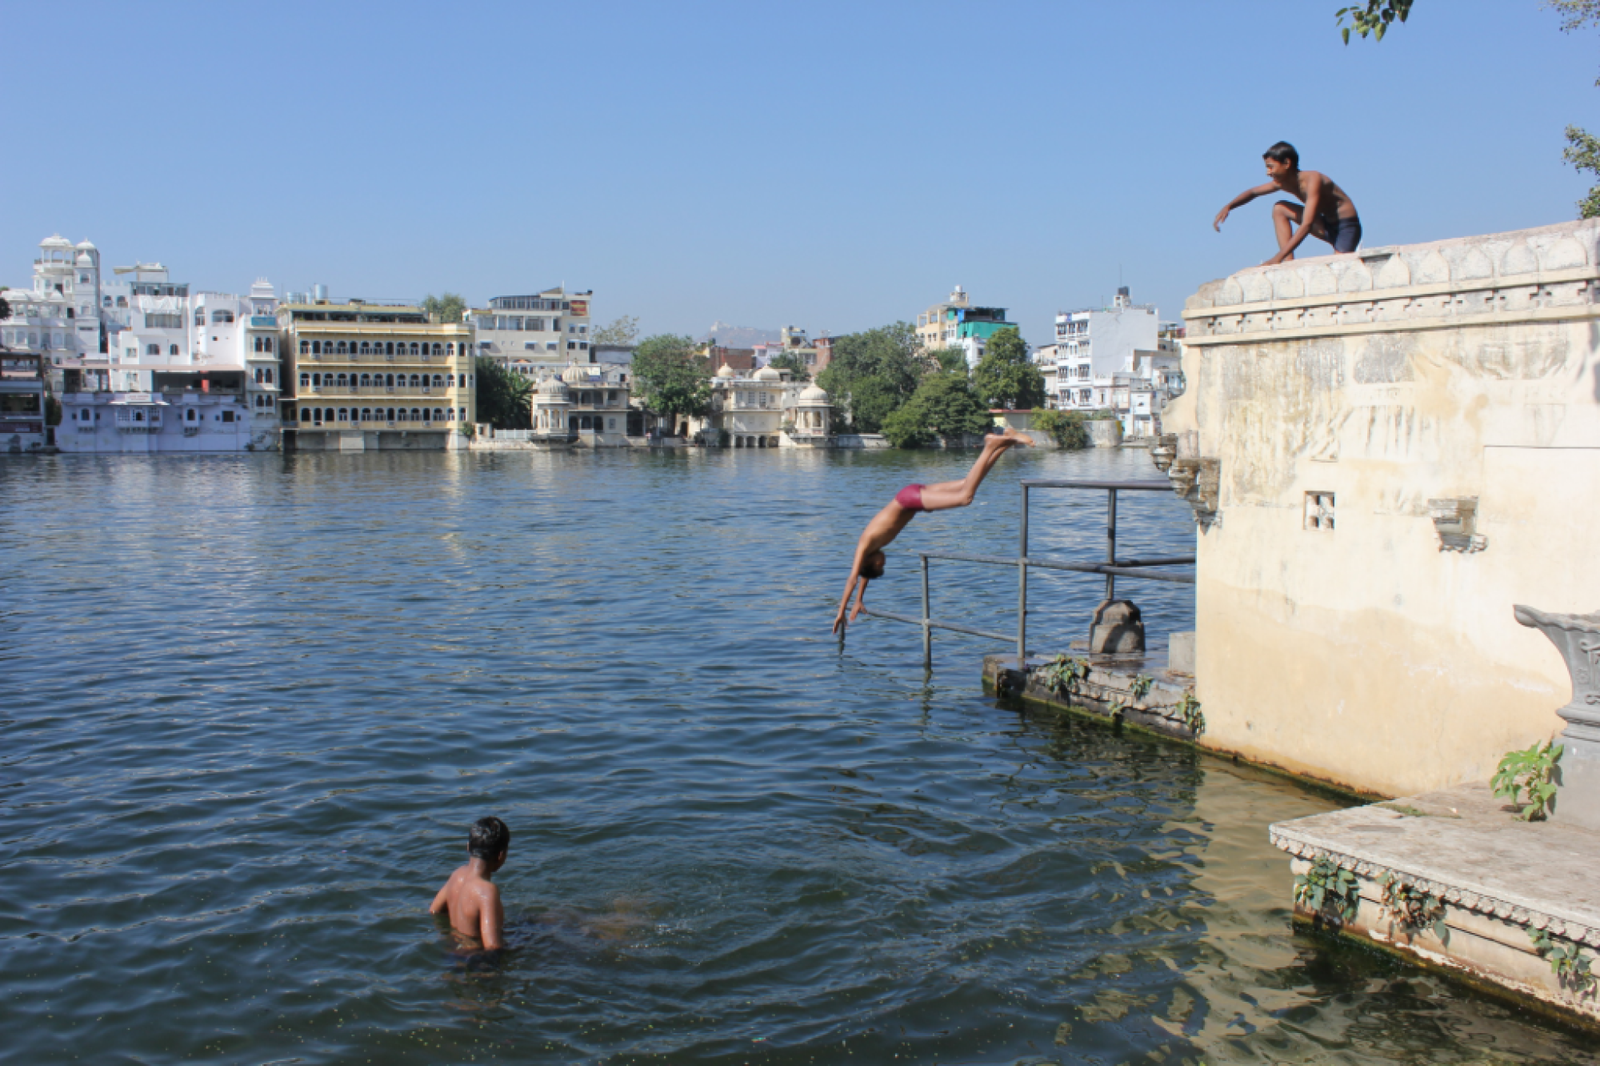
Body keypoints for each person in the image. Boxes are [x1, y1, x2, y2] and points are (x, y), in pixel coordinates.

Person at [832, 429, 1031, 634]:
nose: (884, 561)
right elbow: (863, 577)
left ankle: (990, 444)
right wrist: (858, 600)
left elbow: (853, 578)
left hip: (908, 500)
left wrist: (841, 611)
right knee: (966, 484)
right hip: (910, 495)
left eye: (879, 564)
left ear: (869, 562)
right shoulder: (872, 550)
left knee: (965, 498)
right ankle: (1005, 443)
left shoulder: (864, 545)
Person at [1213, 141, 1362, 265]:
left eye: (1271, 167)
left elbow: (1307, 224)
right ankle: (1289, 262)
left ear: (1286, 163)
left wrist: (1277, 257)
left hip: (1346, 227)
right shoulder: (1282, 183)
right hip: (1325, 225)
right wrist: (1229, 206)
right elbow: (1253, 192)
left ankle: (1283, 258)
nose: (1268, 173)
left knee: (1340, 264)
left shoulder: (1313, 179)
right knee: (1279, 208)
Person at [430, 816, 510, 950]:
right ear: (500, 856)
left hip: (452, 954)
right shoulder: (487, 891)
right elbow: (493, 947)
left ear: (468, 847)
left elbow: (434, 911)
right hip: (476, 963)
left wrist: (455, 932)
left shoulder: (457, 875)